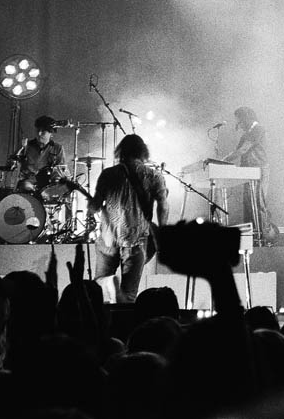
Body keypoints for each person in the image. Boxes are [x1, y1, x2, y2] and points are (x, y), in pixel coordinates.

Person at [88, 134, 169, 303]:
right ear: (143, 152)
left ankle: (108, 286)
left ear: (121, 151)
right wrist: (162, 230)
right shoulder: (154, 176)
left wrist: (94, 205)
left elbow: (94, 207)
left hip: (108, 239)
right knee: (130, 296)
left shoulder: (108, 174)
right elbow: (163, 205)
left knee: (99, 292)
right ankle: (123, 313)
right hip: (136, 239)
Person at [222, 106, 274, 243]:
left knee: (258, 201)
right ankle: (251, 237)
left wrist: (224, 160)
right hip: (248, 171)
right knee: (248, 203)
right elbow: (239, 150)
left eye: (240, 121)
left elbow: (243, 149)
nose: (238, 124)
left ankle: (263, 236)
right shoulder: (247, 133)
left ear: (247, 118)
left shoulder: (258, 129)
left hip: (259, 169)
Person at [13, 115, 68, 194]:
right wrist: (20, 148)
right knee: (26, 186)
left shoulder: (57, 148)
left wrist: (58, 179)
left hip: (48, 184)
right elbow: (11, 163)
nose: (39, 133)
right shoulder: (27, 146)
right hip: (28, 183)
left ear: (51, 133)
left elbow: (61, 169)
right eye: (38, 130)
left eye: (43, 132)